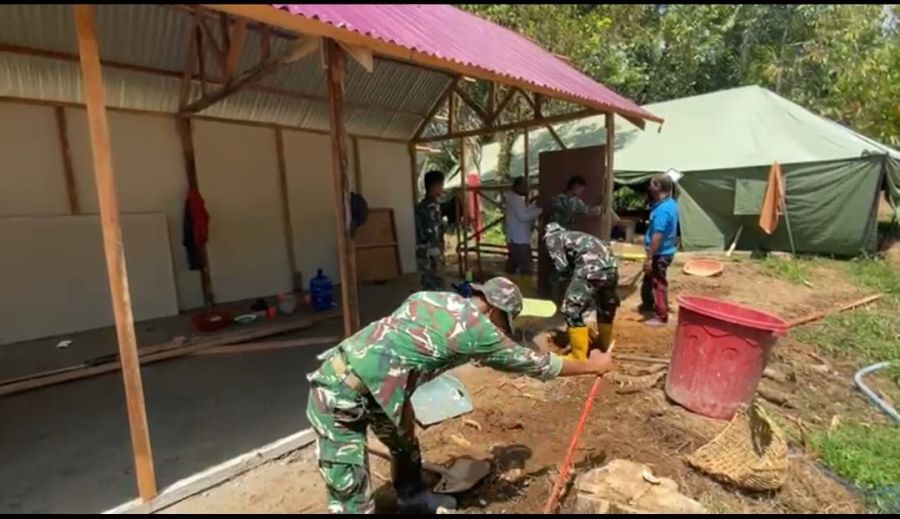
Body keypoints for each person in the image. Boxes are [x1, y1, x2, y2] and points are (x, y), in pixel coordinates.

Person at [306, 277, 614, 514]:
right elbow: (538, 365)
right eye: (504, 322)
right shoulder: (480, 333)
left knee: (403, 441)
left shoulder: (431, 297)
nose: (503, 330)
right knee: (351, 495)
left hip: (380, 389)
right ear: (494, 310)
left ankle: (412, 499)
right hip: (338, 395)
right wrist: (592, 365)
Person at [544, 223, 620, 359]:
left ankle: (578, 355)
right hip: (611, 269)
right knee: (606, 305)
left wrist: (562, 287)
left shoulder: (554, 238)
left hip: (590, 269)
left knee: (571, 308)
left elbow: (562, 267)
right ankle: (602, 345)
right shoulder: (576, 235)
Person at [640, 174, 679, 326]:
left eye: (651, 185)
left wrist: (650, 257)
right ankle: (648, 305)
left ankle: (661, 316)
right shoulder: (670, 204)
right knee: (649, 279)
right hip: (664, 251)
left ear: (657, 188)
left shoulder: (663, 210)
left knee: (658, 283)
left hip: (659, 253)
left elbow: (658, 235)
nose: (649, 188)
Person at [415, 170, 446, 290]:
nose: (442, 189)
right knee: (434, 285)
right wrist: (436, 257)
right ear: (434, 187)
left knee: (428, 282)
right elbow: (431, 233)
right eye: (440, 186)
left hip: (426, 252)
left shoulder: (427, 205)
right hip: (431, 253)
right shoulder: (430, 208)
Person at [504, 177, 542, 275]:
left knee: (514, 265)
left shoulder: (512, 197)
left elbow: (523, 212)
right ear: (518, 186)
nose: (527, 189)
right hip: (519, 239)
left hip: (514, 237)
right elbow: (523, 217)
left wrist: (535, 206)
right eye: (525, 186)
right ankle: (524, 287)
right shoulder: (516, 199)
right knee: (526, 267)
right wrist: (540, 210)